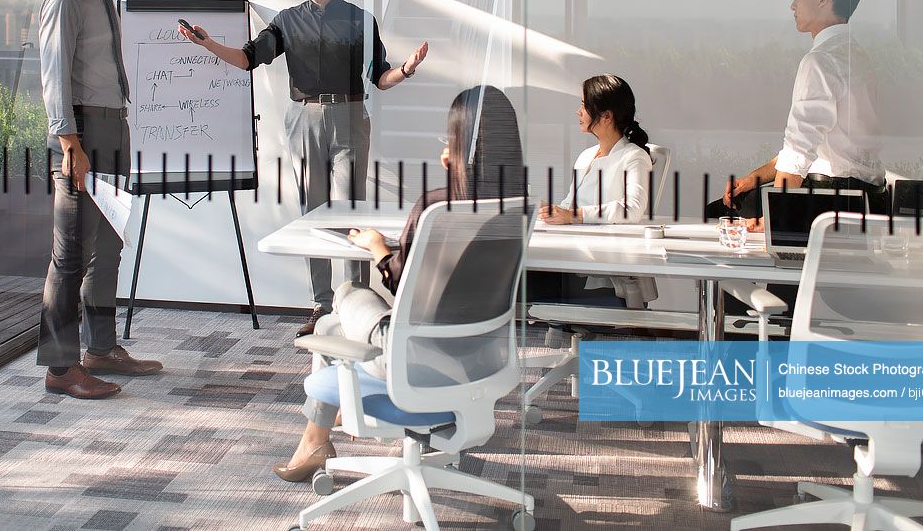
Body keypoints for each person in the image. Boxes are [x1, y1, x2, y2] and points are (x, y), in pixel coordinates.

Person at [272, 85, 524, 483]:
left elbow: (400, 285)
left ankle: (317, 438)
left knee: (346, 295)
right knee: (329, 327)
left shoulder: (438, 207)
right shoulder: (517, 209)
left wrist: (376, 247)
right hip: (476, 362)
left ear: (457, 144)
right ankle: (315, 439)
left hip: (413, 361)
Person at [178, 0, 429, 337]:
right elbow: (247, 59)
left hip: (349, 115)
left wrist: (407, 69)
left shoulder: (360, 20)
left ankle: (357, 300)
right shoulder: (286, 20)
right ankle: (320, 303)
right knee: (313, 212)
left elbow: (380, 77)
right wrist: (208, 44)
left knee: (351, 211)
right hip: (304, 116)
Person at [37, 0, 163, 400]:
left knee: (108, 243)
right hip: (83, 136)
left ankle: (101, 349)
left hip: (112, 129)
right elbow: (53, 73)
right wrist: (70, 142)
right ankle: (60, 368)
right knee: (70, 255)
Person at [711, 0, 886, 226]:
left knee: (717, 216)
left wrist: (772, 221)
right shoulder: (858, 56)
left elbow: (798, 153)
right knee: (732, 202)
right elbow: (819, 146)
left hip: (833, 206)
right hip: (869, 200)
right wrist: (754, 178)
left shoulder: (821, 61)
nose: (793, 5)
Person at [538, 74, 657, 307]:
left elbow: (632, 209)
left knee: (516, 280)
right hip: (572, 256)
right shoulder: (586, 156)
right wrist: (544, 209)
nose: (578, 112)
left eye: (583, 105)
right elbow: (569, 207)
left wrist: (573, 216)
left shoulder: (634, 157)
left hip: (597, 267)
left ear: (606, 116)